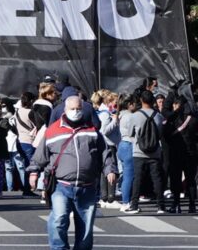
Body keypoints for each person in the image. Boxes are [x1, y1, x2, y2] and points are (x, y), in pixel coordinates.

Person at [27, 95, 117, 250]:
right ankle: (59, 248)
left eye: (79, 109)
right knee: (59, 219)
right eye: (72, 109)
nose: (76, 112)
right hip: (62, 186)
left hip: (87, 187)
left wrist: (110, 169)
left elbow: (104, 153)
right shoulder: (53, 130)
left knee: (86, 226)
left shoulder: (92, 130)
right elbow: (40, 155)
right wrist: (34, 173)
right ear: (65, 109)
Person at [123, 90, 166, 214]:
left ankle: (134, 205)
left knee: (137, 178)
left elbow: (130, 133)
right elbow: (160, 133)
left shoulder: (135, 116)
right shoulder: (158, 116)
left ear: (141, 100)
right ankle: (161, 206)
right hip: (155, 152)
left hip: (139, 152)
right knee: (157, 179)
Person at [163, 95, 197, 213]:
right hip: (191, 152)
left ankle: (176, 204)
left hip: (175, 152)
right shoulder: (193, 119)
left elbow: (165, 135)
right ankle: (192, 205)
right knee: (191, 180)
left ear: (176, 105)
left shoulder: (171, 120)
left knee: (176, 179)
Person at [92, 90, 122, 209]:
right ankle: (110, 198)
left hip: (105, 144)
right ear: (109, 102)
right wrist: (115, 121)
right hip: (108, 144)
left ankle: (104, 197)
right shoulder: (105, 114)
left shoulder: (101, 112)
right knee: (111, 170)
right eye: (115, 103)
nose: (116, 105)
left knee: (104, 172)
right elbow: (104, 130)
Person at [116, 94, 137, 212]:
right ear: (129, 104)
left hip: (122, 145)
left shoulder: (121, 115)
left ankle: (126, 200)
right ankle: (126, 202)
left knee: (125, 176)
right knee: (129, 177)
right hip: (129, 145)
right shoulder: (130, 117)